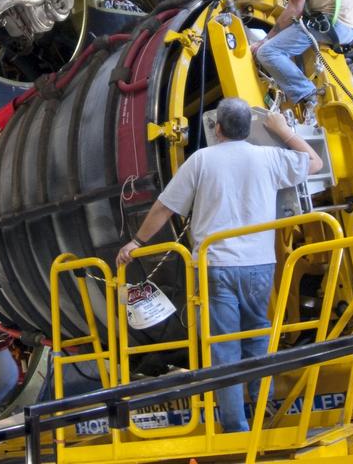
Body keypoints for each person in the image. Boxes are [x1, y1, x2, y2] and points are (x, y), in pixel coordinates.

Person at [115, 98, 324, 433]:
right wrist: (283, 132)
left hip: (216, 265)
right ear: (248, 127)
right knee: (257, 337)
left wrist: (137, 242)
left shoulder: (201, 161)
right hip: (259, 265)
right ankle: (262, 412)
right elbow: (313, 163)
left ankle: (234, 424)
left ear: (218, 127)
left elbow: (164, 207)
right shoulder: (268, 158)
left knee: (224, 346)